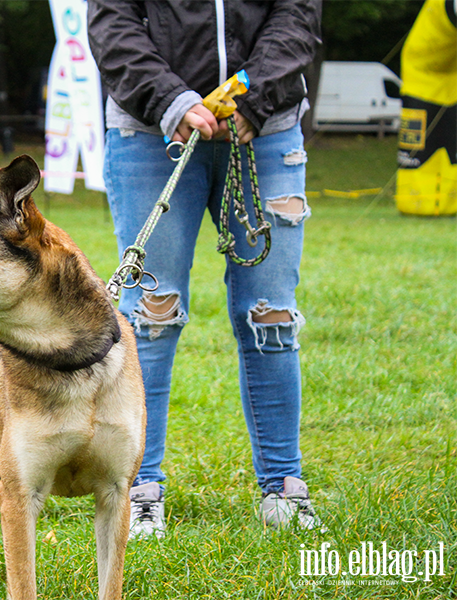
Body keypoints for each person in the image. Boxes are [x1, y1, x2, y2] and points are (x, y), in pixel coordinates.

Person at [88, 0, 323, 538]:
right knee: (151, 315)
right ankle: (140, 488)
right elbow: (112, 23)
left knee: (273, 317)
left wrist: (254, 97)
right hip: (152, 133)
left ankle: (283, 486)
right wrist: (171, 100)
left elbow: (296, 15)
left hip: (266, 128)